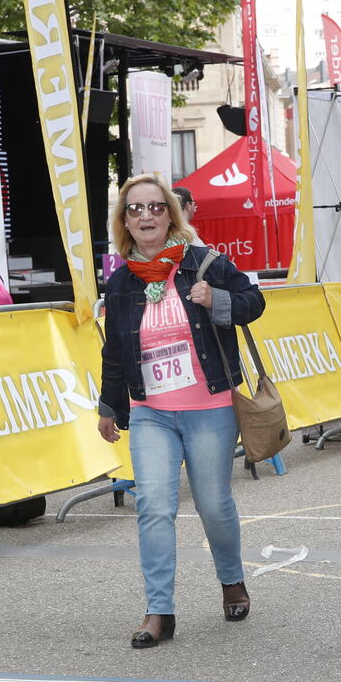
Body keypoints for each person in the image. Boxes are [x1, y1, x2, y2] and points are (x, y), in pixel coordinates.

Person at [97, 174, 266, 650]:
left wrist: (219, 301)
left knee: (213, 504)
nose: (146, 216)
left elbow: (255, 302)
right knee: (153, 505)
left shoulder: (204, 263)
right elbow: (116, 350)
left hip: (208, 406)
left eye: (154, 207)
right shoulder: (121, 281)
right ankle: (159, 611)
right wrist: (110, 405)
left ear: (170, 213)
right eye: (135, 209)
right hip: (150, 410)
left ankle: (231, 579)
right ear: (124, 221)